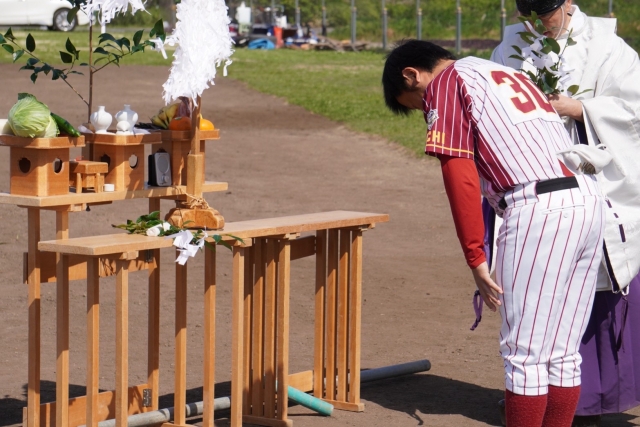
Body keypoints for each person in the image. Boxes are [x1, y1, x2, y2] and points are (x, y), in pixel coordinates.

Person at [382, 39, 605, 427]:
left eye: (416, 102)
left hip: (540, 209)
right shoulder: (500, 71)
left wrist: (475, 255)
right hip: (588, 198)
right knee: (563, 352)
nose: (424, 109)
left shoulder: (446, 82)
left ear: (412, 74)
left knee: (524, 353)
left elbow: (460, 175)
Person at [491, 1, 640, 425]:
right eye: (530, 13)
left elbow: (635, 111)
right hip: (534, 182)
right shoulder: (511, 46)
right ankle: (538, 393)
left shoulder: (608, 47)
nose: (539, 22)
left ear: (568, 2)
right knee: (536, 291)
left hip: (597, 178)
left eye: (547, 12)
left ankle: (592, 400)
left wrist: (578, 109)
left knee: (591, 285)